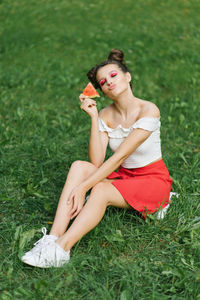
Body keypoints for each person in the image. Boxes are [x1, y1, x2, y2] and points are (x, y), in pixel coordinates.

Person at [21, 49, 173, 268]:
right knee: (79, 166)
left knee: (99, 190)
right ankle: (52, 238)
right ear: (101, 90)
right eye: (103, 81)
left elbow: (119, 157)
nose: (108, 82)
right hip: (124, 176)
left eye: (113, 75)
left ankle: (61, 250)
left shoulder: (148, 110)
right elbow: (97, 161)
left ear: (127, 76)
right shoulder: (105, 115)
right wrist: (94, 118)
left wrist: (84, 188)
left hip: (153, 180)